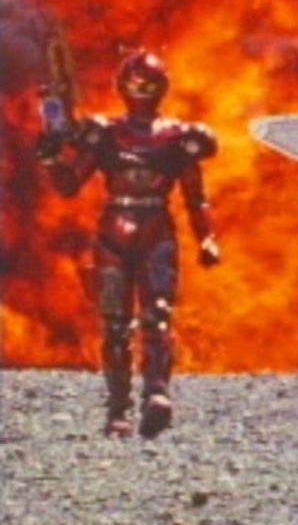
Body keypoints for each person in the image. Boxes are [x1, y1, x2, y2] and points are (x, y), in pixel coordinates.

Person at [36, 50, 221, 438]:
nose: (141, 89)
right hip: (114, 233)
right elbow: (69, 185)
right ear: (122, 86)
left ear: (161, 87)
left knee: (157, 313)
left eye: (147, 83)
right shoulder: (104, 133)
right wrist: (51, 159)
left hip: (155, 228)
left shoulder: (178, 138)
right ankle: (118, 410)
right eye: (134, 83)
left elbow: (196, 197)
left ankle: (156, 393)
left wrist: (207, 237)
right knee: (115, 324)